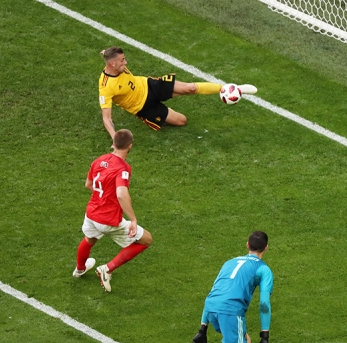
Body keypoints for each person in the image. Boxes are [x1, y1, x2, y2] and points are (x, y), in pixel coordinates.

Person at [98, 46, 258, 137]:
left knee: (190, 88)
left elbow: (107, 54)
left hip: (149, 85)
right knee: (182, 121)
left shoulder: (114, 62)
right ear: (112, 64)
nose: (125, 63)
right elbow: (107, 118)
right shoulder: (106, 87)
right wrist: (114, 136)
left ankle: (226, 88)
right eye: (122, 61)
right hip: (143, 108)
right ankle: (160, 116)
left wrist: (105, 52)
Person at [72, 128, 153, 293]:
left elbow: (88, 185)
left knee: (90, 238)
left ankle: (80, 269)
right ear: (129, 146)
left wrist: (103, 196)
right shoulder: (123, 168)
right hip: (108, 219)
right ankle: (107, 269)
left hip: (92, 214)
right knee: (146, 240)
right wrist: (133, 220)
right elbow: (121, 194)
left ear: (113, 143)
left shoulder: (98, 160)